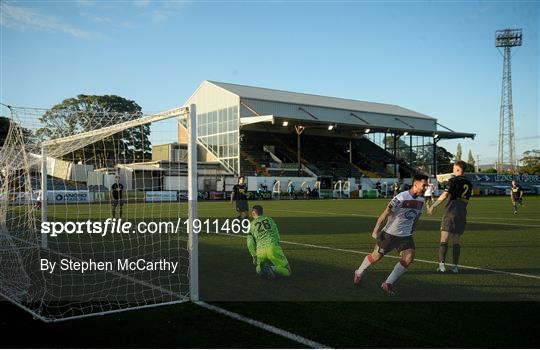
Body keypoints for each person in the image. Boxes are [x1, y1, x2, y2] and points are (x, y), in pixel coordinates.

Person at [353, 174, 429, 295]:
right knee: (376, 257)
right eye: (424, 185)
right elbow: (385, 213)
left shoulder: (421, 200)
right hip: (389, 234)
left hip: (405, 236)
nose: (426, 187)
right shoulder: (400, 198)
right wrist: (376, 230)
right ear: (415, 184)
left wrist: (411, 231)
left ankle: (387, 283)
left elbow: (417, 218)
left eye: (427, 185)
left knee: (408, 258)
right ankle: (359, 272)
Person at [427, 160, 472, 274]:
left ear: (457, 169)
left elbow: (445, 194)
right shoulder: (469, 182)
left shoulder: (452, 180)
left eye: (453, 168)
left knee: (444, 239)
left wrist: (433, 205)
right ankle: (455, 267)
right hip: (462, 213)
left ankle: (442, 266)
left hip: (451, 212)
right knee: (456, 241)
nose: (452, 170)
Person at [247, 205, 291, 278]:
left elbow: (250, 243)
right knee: (287, 270)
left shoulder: (251, 224)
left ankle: (261, 269)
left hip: (260, 251)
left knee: (258, 267)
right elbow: (276, 232)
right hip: (272, 247)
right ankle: (272, 269)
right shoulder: (270, 219)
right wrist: (277, 243)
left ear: (253, 213)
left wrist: (254, 256)